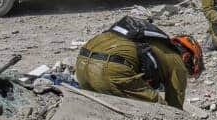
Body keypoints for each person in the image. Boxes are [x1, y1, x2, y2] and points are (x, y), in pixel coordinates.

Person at [76, 16, 204, 109]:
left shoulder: (154, 43)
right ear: (187, 57)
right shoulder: (177, 61)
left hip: (81, 63)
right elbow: (174, 109)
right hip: (109, 70)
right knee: (160, 110)